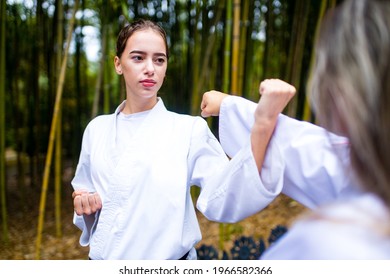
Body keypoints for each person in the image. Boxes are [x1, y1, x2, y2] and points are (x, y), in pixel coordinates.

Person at [71, 19, 295, 260]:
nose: (150, 68)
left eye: (159, 59)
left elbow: (224, 193)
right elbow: (87, 190)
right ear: (118, 64)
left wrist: (262, 125)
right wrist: (85, 204)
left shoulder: (188, 130)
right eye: (138, 58)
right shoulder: (96, 129)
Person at [200, 0, 390, 259]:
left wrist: (257, 119)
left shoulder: (333, 245)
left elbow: (218, 201)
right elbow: (306, 149)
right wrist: (235, 108)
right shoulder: (358, 170)